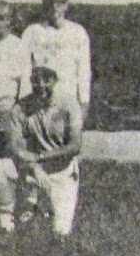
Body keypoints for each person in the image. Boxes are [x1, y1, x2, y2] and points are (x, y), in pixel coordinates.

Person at [7, 66, 84, 237]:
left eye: (46, 80)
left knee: (60, 232)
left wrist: (41, 156)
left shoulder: (69, 104)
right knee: (1, 167)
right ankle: (11, 212)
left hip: (61, 170)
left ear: (55, 81)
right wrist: (35, 168)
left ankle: (42, 205)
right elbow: (15, 145)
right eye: (36, 80)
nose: (41, 85)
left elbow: (75, 145)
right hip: (32, 170)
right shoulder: (21, 108)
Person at [0, 1, 33, 230]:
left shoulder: (18, 46)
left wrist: (17, 110)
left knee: (10, 160)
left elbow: (25, 82)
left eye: (2, 18)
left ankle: (11, 210)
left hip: (8, 107)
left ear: (10, 21)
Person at [22, 0, 91, 114]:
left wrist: (84, 101)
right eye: (49, 3)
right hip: (40, 99)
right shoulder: (32, 32)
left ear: (66, 5)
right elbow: (25, 69)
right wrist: (25, 99)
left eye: (60, 3)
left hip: (68, 97)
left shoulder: (78, 32)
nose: (54, 7)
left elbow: (84, 71)